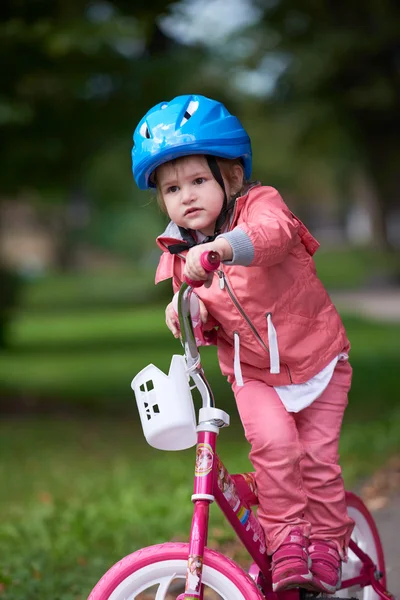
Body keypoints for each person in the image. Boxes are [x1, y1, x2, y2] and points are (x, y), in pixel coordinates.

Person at [131, 94, 354, 593]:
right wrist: (184, 308)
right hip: (252, 372)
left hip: (317, 360)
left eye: (198, 180)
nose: (186, 196)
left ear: (229, 177)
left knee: (315, 460)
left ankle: (328, 543)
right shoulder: (175, 255)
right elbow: (204, 317)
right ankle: (290, 541)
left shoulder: (260, 205)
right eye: (171, 188)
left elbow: (272, 236)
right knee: (274, 449)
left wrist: (224, 248)